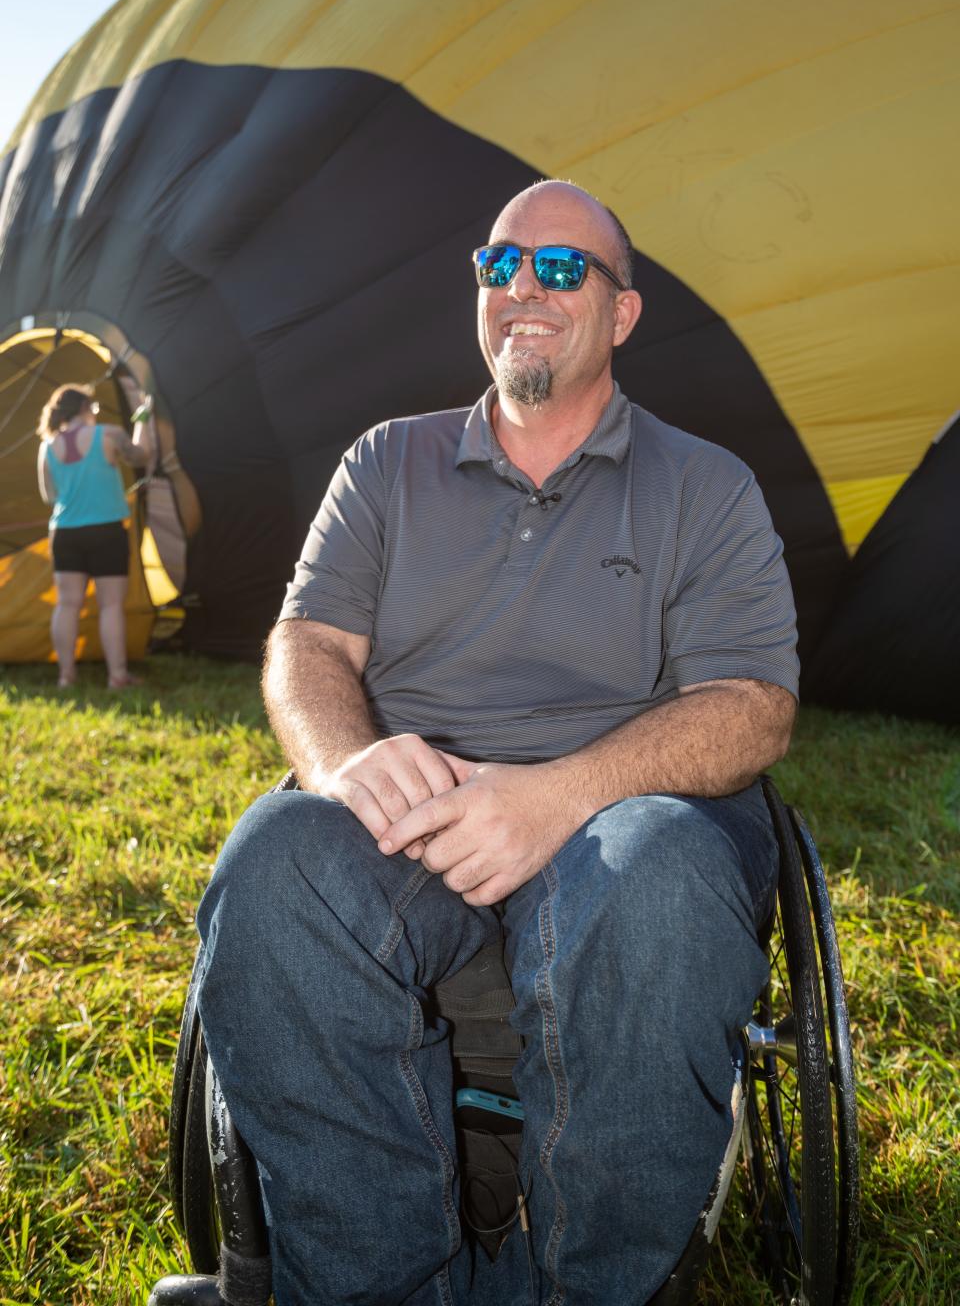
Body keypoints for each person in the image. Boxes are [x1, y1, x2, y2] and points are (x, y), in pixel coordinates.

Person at [195, 181, 799, 1306]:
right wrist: (342, 765)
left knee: (659, 880)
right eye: (500, 262)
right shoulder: (387, 463)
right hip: (416, 827)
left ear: (622, 313)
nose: (523, 285)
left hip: (619, 828)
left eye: (563, 269)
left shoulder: (706, 487)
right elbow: (308, 643)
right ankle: (376, 1287)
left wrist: (557, 798)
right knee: (271, 865)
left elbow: (753, 705)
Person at [36, 382, 152, 688]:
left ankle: (65, 677)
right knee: (110, 605)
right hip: (106, 530)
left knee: (67, 604)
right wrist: (142, 422)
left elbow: (49, 495)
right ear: (86, 408)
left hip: (64, 533)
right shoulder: (109, 434)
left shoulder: (47, 446)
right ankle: (117, 676)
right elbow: (141, 456)